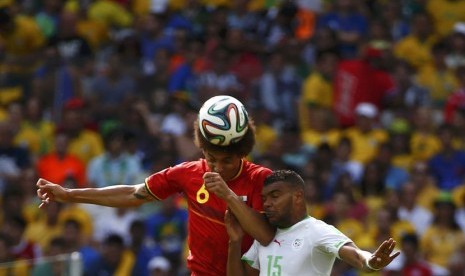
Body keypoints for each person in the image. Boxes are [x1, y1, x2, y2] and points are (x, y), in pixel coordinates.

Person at [36, 95, 275, 275]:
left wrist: (229, 196)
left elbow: (266, 236)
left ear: (243, 153)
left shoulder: (260, 179)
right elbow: (133, 193)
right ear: (202, 148)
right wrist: (69, 194)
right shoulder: (188, 173)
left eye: (227, 161)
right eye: (212, 159)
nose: (218, 168)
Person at [225, 170, 400, 275]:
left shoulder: (316, 231)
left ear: (298, 196)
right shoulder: (264, 236)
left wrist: (370, 262)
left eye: (275, 196)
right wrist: (235, 242)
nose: (267, 203)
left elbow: (355, 254)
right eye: (264, 198)